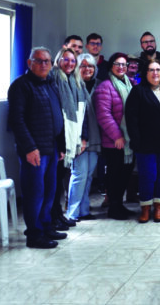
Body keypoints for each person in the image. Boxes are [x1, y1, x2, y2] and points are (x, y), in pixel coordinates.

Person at [8, 47, 67, 248]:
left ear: (51, 64)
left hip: (52, 147)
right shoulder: (20, 86)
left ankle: (46, 227)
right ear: (29, 63)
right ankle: (34, 234)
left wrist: (61, 145)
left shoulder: (50, 84)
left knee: (50, 191)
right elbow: (17, 120)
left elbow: (58, 117)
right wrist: (29, 148)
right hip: (34, 151)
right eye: (39, 61)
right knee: (35, 193)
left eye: (47, 61)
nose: (43, 64)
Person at [125, 60, 160, 223]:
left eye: (158, 70)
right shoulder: (138, 91)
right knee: (148, 175)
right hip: (145, 142)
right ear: (145, 73)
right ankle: (145, 208)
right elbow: (131, 118)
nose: (155, 73)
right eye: (151, 70)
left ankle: (159, 207)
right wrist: (136, 139)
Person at [94, 52, 135, 220]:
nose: (121, 67)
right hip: (114, 142)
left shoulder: (130, 84)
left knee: (125, 174)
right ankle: (113, 207)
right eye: (117, 64)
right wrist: (117, 136)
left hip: (129, 141)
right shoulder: (105, 87)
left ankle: (119, 205)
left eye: (124, 64)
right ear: (111, 66)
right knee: (114, 175)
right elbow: (103, 115)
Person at [50, 48, 89, 229]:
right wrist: (61, 143)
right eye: (66, 59)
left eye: (73, 61)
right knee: (54, 182)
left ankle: (58, 214)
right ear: (58, 60)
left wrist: (82, 138)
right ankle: (52, 217)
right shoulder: (53, 80)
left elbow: (83, 113)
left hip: (71, 139)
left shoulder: (76, 82)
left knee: (59, 180)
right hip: (58, 139)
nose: (70, 64)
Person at [66, 53, 100, 222]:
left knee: (88, 175)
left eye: (91, 66)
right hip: (79, 139)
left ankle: (84, 210)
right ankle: (72, 213)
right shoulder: (73, 86)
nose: (87, 69)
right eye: (83, 65)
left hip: (95, 138)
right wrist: (81, 138)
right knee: (79, 175)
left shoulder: (98, 84)